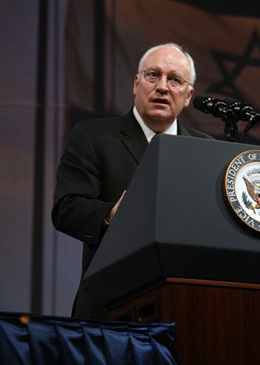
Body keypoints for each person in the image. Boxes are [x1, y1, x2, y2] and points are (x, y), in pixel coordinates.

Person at [52, 43, 212, 320]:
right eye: (153, 75)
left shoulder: (206, 149)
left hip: (186, 308)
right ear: (136, 84)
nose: (163, 86)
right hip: (112, 308)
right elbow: (67, 208)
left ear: (188, 96)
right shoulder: (94, 137)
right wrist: (113, 214)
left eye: (175, 80)